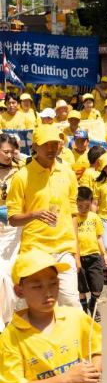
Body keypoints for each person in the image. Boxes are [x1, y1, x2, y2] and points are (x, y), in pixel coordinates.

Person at [0, 250, 102, 383]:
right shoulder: (11, 337)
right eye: (37, 286)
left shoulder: (75, 317)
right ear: (19, 292)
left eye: (53, 283)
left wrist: (93, 372)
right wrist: (66, 379)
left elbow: (96, 350)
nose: (48, 292)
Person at [7, 125, 81, 310]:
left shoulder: (68, 173)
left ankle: (78, 339)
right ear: (34, 146)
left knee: (71, 303)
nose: (51, 148)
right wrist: (33, 215)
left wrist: (76, 253)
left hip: (64, 248)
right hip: (35, 249)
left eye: (54, 143)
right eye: (45, 144)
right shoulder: (22, 176)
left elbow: (73, 214)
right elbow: (13, 218)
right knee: (42, 306)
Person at [0, 134, 22, 328]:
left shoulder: (20, 170)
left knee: (12, 277)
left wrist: (18, 155)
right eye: (5, 152)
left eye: (11, 152)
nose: (9, 155)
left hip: (15, 230)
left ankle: (7, 318)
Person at [75, 186, 107, 319]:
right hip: (78, 256)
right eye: (79, 206)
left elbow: (99, 237)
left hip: (93, 255)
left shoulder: (94, 217)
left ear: (91, 203)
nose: (83, 209)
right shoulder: (73, 218)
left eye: (87, 206)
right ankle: (83, 310)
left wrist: (104, 253)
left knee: (98, 286)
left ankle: (92, 303)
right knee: (80, 287)